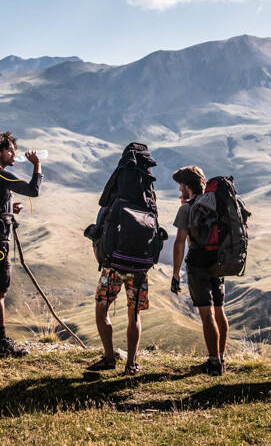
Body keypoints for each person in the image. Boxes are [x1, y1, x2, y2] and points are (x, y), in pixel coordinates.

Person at [86, 143, 158, 375]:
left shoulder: (119, 184)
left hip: (113, 265)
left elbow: (103, 215)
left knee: (101, 308)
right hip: (139, 267)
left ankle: (109, 357)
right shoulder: (149, 192)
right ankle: (131, 364)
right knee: (133, 313)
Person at [0, 131, 42, 356]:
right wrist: (37, 165)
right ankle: (1, 342)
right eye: (10, 150)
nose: (14, 155)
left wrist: (8, 210)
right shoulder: (1, 175)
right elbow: (33, 190)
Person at [171, 165, 228, 376]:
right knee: (220, 310)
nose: (179, 190)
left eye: (180, 186)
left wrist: (176, 274)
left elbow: (179, 243)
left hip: (198, 264)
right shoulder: (216, 204)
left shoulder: (187, 209)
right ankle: (221, 359)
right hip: (219, 262)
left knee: (207, 313)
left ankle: (213, 363)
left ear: (187, 186)